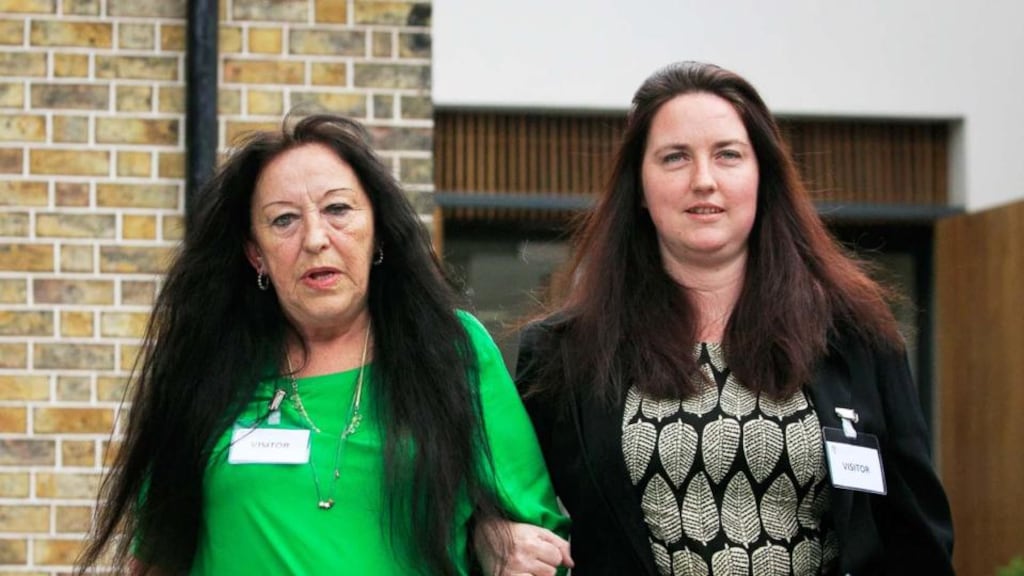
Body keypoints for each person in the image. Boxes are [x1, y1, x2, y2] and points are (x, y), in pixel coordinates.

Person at [76, 114, 569, 576]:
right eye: (283, 220)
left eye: (338, 210)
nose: (315, 238)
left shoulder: (451, 349)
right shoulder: (208, 369)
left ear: (377, 232)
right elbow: (157, 552)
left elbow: (537, 537)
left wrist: (493, 536)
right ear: (256, 254)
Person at [514, 61, 954, 575]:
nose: (704, 181)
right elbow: (506, 511)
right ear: (639, 188)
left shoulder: (855, 337)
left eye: (728, 155)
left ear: (763, 176)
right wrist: (498, 534)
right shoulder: (563, 353)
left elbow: (917, 537)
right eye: (675, 157)